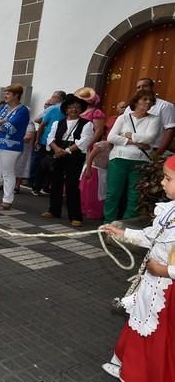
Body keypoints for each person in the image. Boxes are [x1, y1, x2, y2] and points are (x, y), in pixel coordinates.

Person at [100, 154, 175, 382]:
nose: (162, 183)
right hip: (153, 283)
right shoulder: (170, 210)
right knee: (140, 321)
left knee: (158, 333)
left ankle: (142, 374)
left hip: (167, 289)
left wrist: (163, 271)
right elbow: (151, 236)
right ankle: (128, 365)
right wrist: (123, 234)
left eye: (168, 178)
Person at [105, 89, 161, 223]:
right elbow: (111, 137)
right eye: (144, 99)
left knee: (134, 196)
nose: (148, 102)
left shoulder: (154, 119)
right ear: (136, 101)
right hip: (118, 159)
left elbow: (150, 138)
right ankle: (108, 223)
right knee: (113, 193)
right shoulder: (123, 117)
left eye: (151, 100)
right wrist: (133, 142)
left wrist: (128, 135)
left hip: (140, 162)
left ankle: (126, 225)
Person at [40, 94, 93, 227]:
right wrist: (57, 149)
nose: (74, 109)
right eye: (71, 107)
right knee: (55, 182)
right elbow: (50, 138)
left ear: (81, 109)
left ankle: (75, 216)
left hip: (74, 155)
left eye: (77, 107)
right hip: (57, 152)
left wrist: (67, 151)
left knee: (72, 185)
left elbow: (84, 140)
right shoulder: (58, 123)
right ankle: (54, 210)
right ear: (66, 109)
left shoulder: (87, 124)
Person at [0, 84, 30, 209]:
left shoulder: (23, 110)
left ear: (16, 95)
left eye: (8, 93)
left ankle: (7, 199)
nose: (5, 95)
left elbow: (10, 126)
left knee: (7, 172)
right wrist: (0, 123)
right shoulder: (3, 107)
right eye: (5, 93)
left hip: (11, 146)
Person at [31, 90, 66, 196]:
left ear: (61, 99)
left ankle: (39, 187)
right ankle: (41, 187)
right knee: (47, 165)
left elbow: (41, 124)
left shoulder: (53, 108)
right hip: (49, 140)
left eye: (55, 97)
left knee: (44, 165)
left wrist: (37, 139)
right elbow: (41, 123)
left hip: (50, 141)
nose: (52, 99)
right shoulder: (53, 109)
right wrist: (37, 139)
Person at [131, 77, 175, 157]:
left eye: (144, 86)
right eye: (138, 87)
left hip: (153, 151)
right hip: (130, 149)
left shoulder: (165, 106)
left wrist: (157, 154)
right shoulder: (130, 107)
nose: (141, 89)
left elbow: (170, 130)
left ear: (152, 87)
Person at [80, 140, 111, 220]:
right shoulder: (103, 145)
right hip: (94, 169)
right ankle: (88, 210)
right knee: (91, 193)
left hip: (102, 171)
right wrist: (88, 169)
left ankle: (95, 212)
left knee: (99, 193)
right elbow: (91, 156)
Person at [14, 119, 36, 194]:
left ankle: (17, 185)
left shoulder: (29, 123)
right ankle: (9, 184)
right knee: (12, 166)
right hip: (14, 147)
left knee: (21, 166)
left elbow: (28, 137)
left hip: (24, 148)